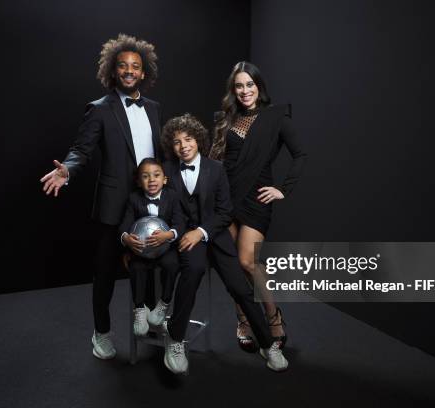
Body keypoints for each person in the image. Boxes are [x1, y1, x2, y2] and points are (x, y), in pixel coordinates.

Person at [39, 34, 162, 360]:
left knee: (150, 264)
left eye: (135, 66)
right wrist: (66, 169)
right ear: (112, 70)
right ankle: (101, 333)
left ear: (144, 71)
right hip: (113, 205)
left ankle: (151, 323)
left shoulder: (154, 109)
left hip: (148, 202)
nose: (129, 71)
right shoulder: (100, 109)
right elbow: (81, 150)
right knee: (106, 272)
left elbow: (159, 156)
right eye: (122, 66)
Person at [160, 114, 288, 374]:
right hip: (186, 238)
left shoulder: (215, 169)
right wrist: (186, 233)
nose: (183, 146)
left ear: (198, 140)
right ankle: (174, 340)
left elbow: (225, 211)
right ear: (171, 147)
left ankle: (267, 344)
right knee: (192, 274)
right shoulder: (167, 172)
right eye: (176, 142)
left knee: (240, 288)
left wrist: (202, 232)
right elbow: (167, 211)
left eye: (188, 139)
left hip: (214, 235)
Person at [209, 61, 307, 352]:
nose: (244, 91)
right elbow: (215, 161)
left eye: (249, 84)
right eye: (238, 86)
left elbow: (300, 155)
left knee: (248, 262)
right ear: (233, 90)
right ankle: (243, 321)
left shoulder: (277, 117)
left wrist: (282, 190)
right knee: (231, 266)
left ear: (259, 87)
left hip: (255, 200)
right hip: (225, 198)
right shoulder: (224, 119)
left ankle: (273, 317)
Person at [118, 158, 184, 336]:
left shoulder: (172, 196)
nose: (152, 180)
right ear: (139, 182)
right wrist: (127, 239)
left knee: (172, 264)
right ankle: (139, 308)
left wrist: (168, 235)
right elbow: (124, 225)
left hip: (165, 249)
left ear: (165, 179)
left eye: (156, 175)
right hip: (141, 251)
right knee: (136, 267)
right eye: (146, 177)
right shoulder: (134, 199)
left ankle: (164, 303)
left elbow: (180, 223)